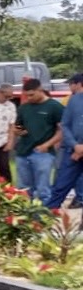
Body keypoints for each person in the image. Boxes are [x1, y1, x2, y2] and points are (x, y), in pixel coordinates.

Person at [10, 77, 63, 204]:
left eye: (31, 95)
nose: (29, 98)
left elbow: (62, 130)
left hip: (43, 152)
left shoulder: (55, 107)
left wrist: (48, 144)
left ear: (40, 90)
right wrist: (17, 131)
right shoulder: (24, 108)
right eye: (26, 95)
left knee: (42, 189)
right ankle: (25, 217)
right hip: (23, 151)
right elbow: (17, 126)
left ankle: (43, 217)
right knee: (23, 189)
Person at [47, 74, 83, 210]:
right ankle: (42, 220)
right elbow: (65, 125)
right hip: (72, 151)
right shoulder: (73, 100)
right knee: (60, 187)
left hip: (78, 151)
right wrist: (75, 146)